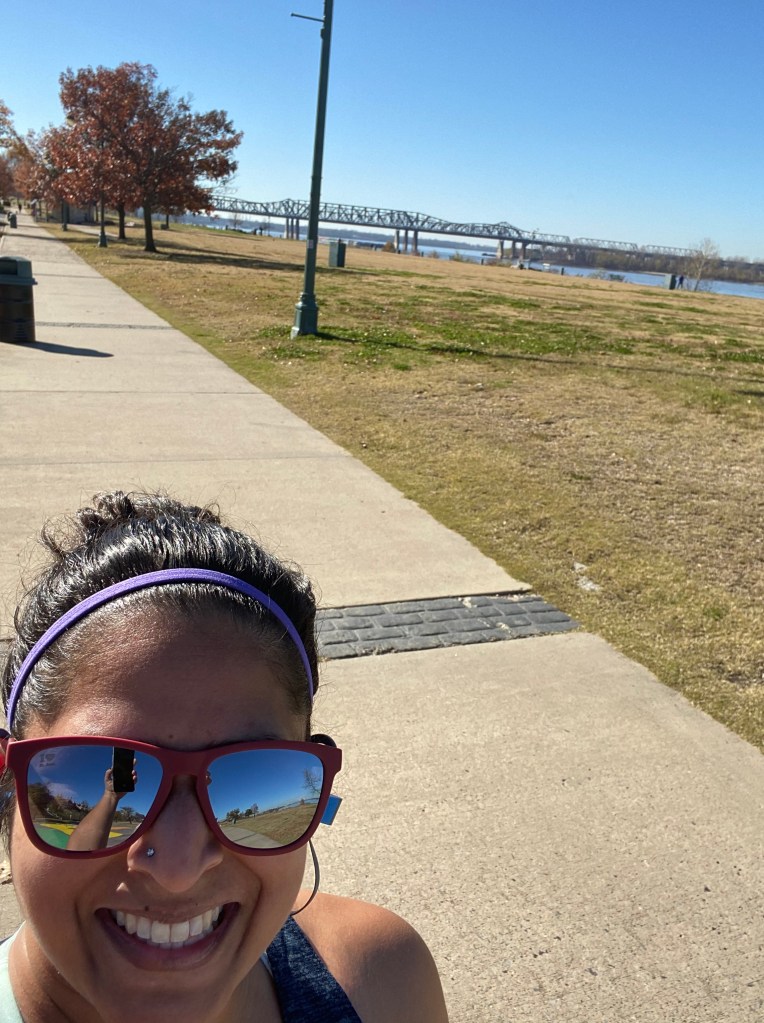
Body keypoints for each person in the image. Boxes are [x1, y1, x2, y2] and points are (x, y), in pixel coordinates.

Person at [0, 491, 449, 1023]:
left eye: (252, 775)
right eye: (85, 768)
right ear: (7, 785)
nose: (178, 870)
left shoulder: (382, 982)